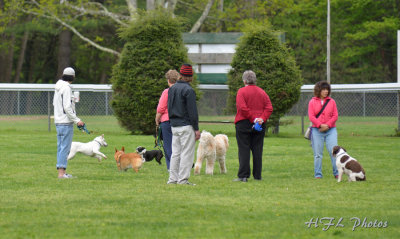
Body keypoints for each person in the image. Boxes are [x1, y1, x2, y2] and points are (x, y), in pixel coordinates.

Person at [234, 70, 273, 182]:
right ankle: (257, 175)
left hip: (244, 123)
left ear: (244, 80)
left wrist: (253, 118)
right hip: (260, 124)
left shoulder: (241, 92)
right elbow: (269, 108)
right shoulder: (262, 92)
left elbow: (242, 108)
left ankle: (243, 176)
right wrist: (261, 118)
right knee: (257, 149)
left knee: (244, 149)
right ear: (255, 80)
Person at [167, 64, 200, 185]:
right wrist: (196, 129)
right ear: (190, 77)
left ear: (180, 75)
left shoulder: (172, 89)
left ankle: (172, 179)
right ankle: (183, 179)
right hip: (186, 125)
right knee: (187, 153)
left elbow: (169, 107)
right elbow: (192, 112)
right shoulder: (189, 90)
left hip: (174, 125)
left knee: (175, 153)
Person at [53, 67, 84, 179]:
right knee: (65, 148)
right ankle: (61, 174)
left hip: (58, 122)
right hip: (65, 122)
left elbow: (55, 104)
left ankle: (61, 172)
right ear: (73, 76)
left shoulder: (58, 87)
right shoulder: (66, 88)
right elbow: (67, 107)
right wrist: (77, 120)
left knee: (61, 147)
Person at [308, 81, 339, 179]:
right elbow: (311, 116)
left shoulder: (332, 101)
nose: (326, 91)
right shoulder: (312, 102)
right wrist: (320, 125)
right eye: (324, 89)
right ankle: (318, 174)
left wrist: (328, 125)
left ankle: (337, 173)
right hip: (317, 131)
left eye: (327, 90)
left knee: (334, 152)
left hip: (331, 130)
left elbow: (335, 115)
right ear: (318, 90)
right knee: (318, 154)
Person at [155, 69, 180, 171]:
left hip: (167, 121)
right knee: (178, 146)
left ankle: (171, 168)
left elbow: (161, 108)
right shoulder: (181, 90)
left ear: (168, 80)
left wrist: (157, 119)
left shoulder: (167, 91)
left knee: (168, 146)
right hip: (179, 121)